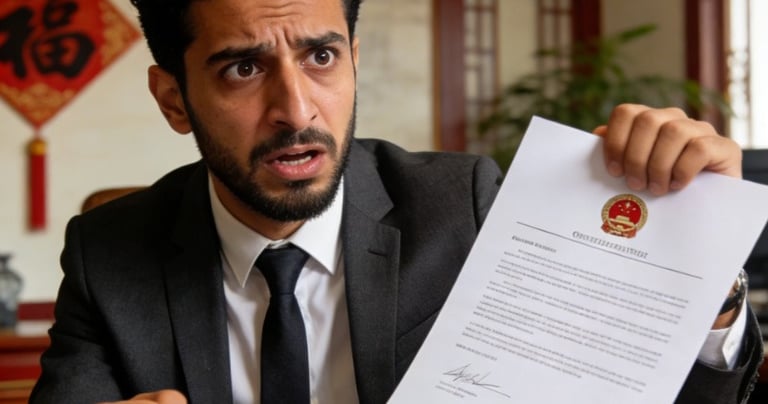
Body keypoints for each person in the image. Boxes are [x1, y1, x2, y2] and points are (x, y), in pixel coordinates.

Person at [29, 0, 763, 403]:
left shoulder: (464, 207)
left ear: (353, 59)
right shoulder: (108, 252)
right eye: (243, 68)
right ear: (173, 99)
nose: (296, 110)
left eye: (321, 56)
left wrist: (702, 256)